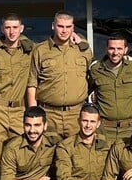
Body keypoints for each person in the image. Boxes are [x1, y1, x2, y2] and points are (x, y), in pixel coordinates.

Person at [0, 14, 36, 180]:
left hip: (19, 111)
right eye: (8, 27)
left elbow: (50, 50)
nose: (11, 31)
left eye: (15, 27)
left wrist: (80, 41)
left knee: (20, 156)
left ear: (21, 29)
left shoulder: (30, 50)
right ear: (2, 29)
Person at [27, 10, 93, 139]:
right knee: (48, 156)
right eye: (60, 26)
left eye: (68, 27)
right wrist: (33, 116)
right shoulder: (40, 50)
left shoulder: (83, 50)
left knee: (76, 155)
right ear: (53, 26)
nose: (64, 30)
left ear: (73, 28)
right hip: (49, 114)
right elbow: (32, 84)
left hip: (76, 115)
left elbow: (92, 77)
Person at [88, 34, 132, 142]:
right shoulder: (96, 69)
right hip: (104, 129)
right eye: (112, 48)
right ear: (106, 49)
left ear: (126, 50)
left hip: (128, 129)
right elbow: (86, 90)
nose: (115, 53)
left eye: (119, 48)